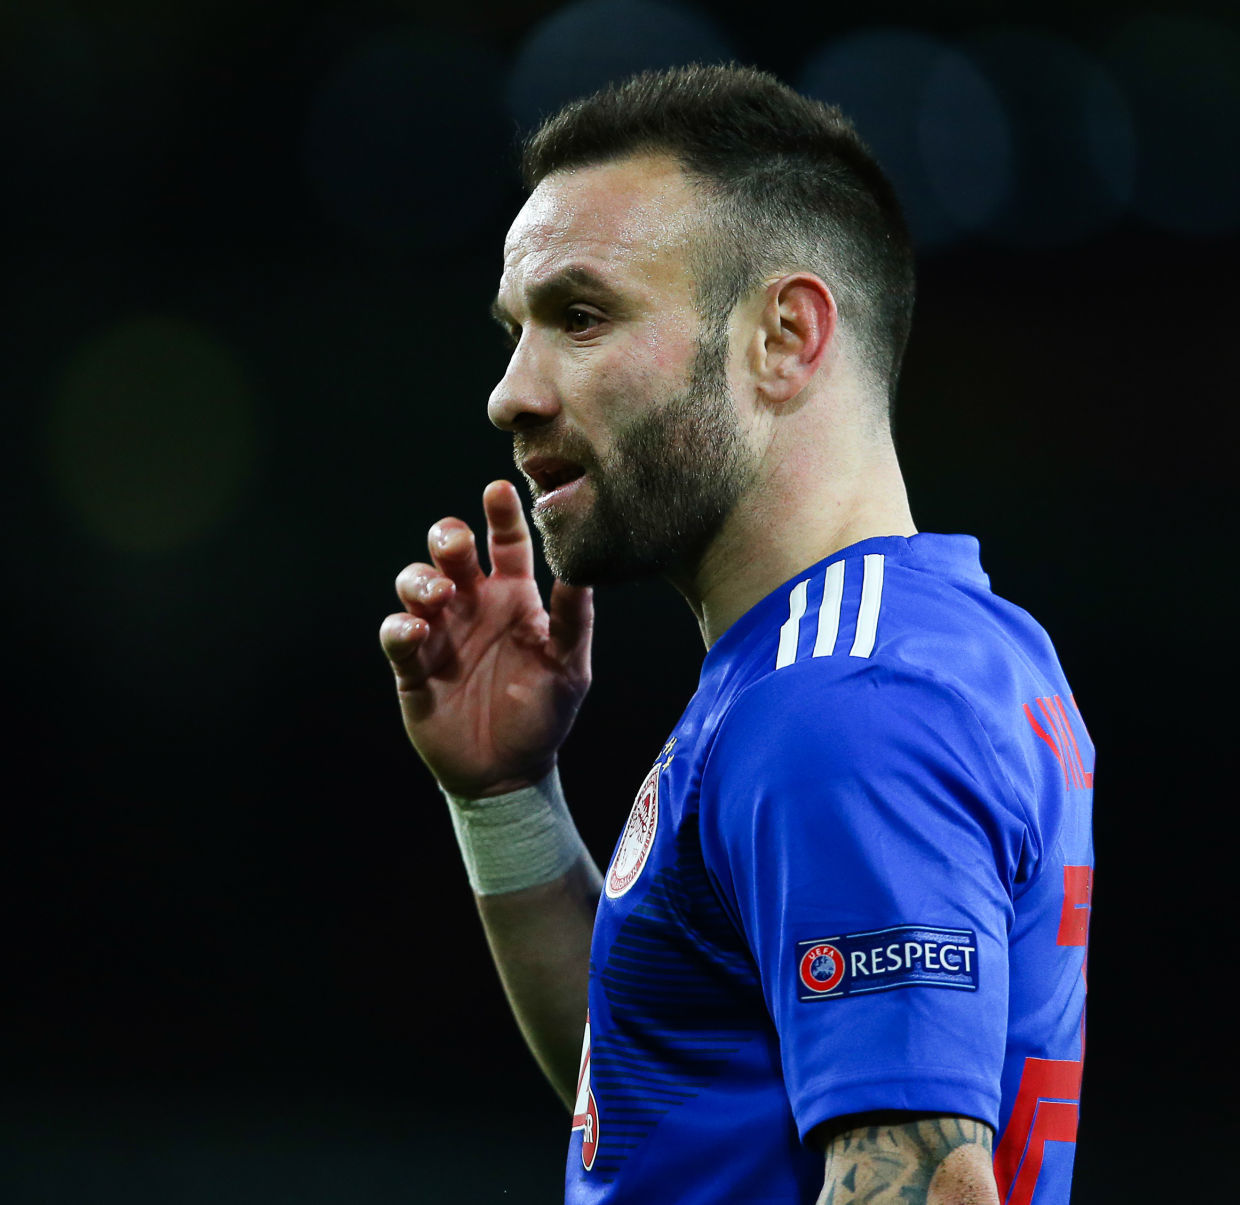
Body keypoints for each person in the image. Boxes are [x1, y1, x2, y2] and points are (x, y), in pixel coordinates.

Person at [378, 64, 1094, 1205]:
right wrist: (504, 797)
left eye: (579, 315)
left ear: (783, 334)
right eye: (516, 333)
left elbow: (925, 1187)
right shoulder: (923, 646)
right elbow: (674, 1099)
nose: (510, 392)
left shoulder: (841, 701)